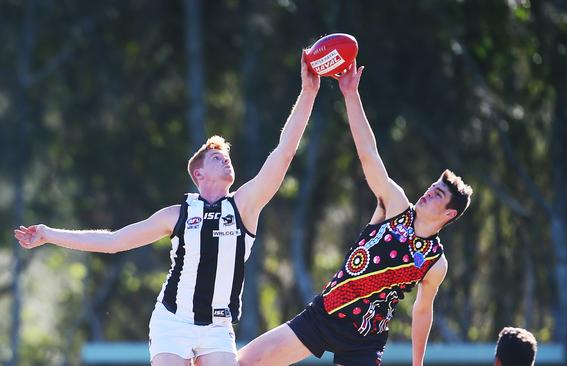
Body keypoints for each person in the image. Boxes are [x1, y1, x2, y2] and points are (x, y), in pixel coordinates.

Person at [14, 53, 320, 366]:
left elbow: (283, 155)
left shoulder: (244, 206)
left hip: (217, 326)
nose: (226, 158)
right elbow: (113, 242)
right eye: (216, 157)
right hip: (173, 322)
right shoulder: (177, 215)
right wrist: (49, 234)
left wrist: (307, 94)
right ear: (198, 174)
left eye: (227, 156)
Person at [238, 62, 473, 366]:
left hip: (365, 339)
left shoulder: (435, 262)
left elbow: (422, 311)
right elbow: (368, 154)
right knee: (244, 363)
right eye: (432, 187)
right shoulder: (396, 205)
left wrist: (418, 364)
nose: (428, 193)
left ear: (449, 213)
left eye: (438, 195)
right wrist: (350, 94)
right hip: (326, 313)